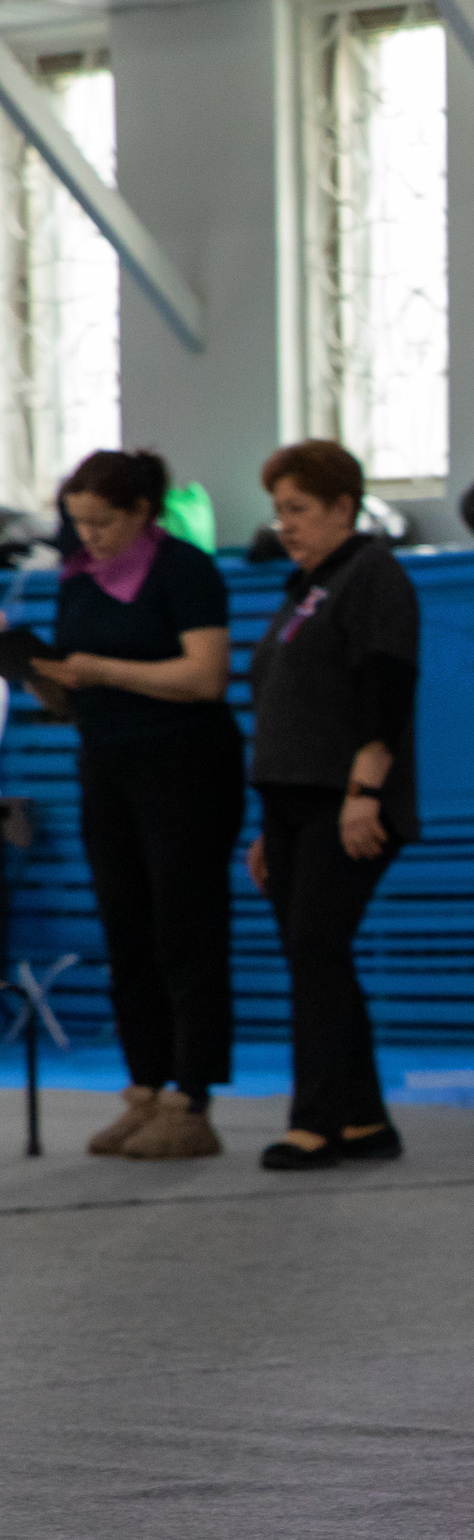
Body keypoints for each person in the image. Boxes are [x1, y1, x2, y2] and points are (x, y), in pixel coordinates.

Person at [16, 451, 241, 1159]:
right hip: (107, 763)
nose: (90, 536)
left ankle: (191, 1096)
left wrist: (103, 670)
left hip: (184, 765)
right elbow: (79, 684)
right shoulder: (78, 578)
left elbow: (204, 676)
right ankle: (144, 1086)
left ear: (143, 511)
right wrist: (44, 679)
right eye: (78, 522)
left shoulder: (184, 570)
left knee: (185, 925)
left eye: (103, 522)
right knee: (125, 927)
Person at [244, 440, 418, 1173]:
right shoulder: (304, 584)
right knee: (316, 956)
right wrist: (265, 825)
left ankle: (314, 1120)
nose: (285, 524)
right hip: (289, 801)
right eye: (279, 510)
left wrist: (364, 792)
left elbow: (385, 690)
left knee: (315, 948)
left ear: (343, 506)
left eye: (299, 509)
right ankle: (366, 1119)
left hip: (342, 800)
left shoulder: (373, 577)